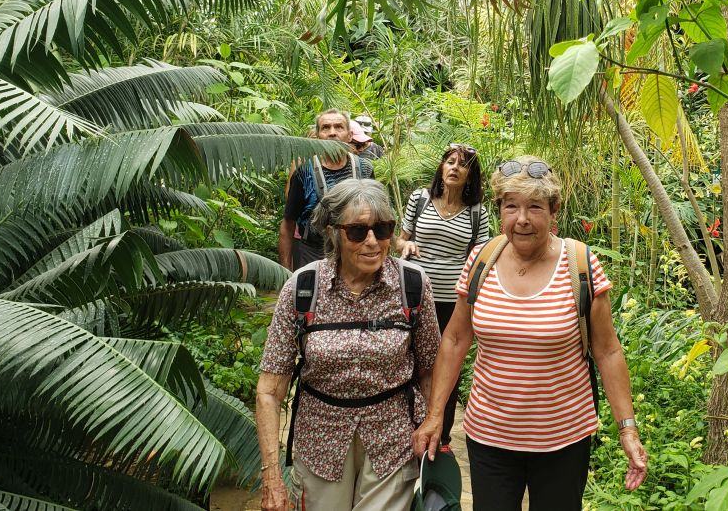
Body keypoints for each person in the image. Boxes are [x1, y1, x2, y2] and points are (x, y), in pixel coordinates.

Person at [413, 155, 648, 510]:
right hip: (489, 434)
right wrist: (434, 416)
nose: (521, 219)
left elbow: (608, 351)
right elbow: (456, 340)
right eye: (511, 206)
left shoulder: (580, 265)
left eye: (534, 207)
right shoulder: (481, 259)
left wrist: (627, 428)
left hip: (563, 438)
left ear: (553, 211)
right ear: (499, 210)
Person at [257, 178, 440, 511]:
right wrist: (271, 475)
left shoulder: (411, 285)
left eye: (383, 230)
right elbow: (270, 390)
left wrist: (433, 423)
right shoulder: (304, 287)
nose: (372, 242)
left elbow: (430, 368)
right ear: (333, 232)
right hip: (320, 440)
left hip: (392, 439)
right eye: (357, 231)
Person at [397, 143, 490, 445]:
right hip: (412, 295)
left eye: (462, 165)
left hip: (453, 301)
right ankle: (404, 426)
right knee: (406, 360)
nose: (454, 168)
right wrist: (406, 247)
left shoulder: (477, 212)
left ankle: (442, 436)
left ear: (470, 175)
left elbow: (482, 257)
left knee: (446, 365)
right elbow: (400, 239)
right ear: (441, 167)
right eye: (449, 162)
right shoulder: (420, 198)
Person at [280, 110, 375, 270]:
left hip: (355, 253)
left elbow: (375, 216)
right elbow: (288, 224)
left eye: (339, 127)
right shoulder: (304, 172)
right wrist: (286, 273)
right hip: (312, 253)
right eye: (325, 128)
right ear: (317, 136)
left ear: (350, 135)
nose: (332, 133)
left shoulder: (364, 169)